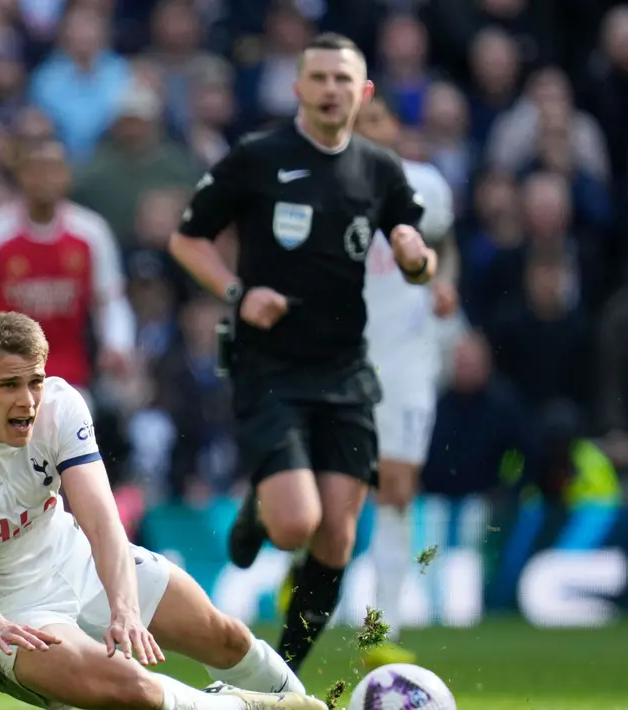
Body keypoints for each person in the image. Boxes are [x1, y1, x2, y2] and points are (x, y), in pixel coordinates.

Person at [167, 33, 436, 672]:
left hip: (346, 370)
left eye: (343, 79)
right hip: (270, 366)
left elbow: (414, 243)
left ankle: (282, 676)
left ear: (363, 91)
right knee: (296, 526)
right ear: (297, 87)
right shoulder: (258, 158)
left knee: (337, 537)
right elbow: (187, 240)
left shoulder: (380, 168)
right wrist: (238, 291)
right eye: (317, 77)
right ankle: (263, 509)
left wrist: (415, 258)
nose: (330, 89)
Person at [0, 310, 326, 710]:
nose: (27, 400)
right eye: (10, 385)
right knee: (131, 688)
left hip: (72, 560)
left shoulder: (61, 407)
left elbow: (102, 523)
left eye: (35, 381)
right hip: (1, 611)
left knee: (225, 636)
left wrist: (125, 608)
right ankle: (237, 706)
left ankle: (307, 702)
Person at [353, 91, 458, 669]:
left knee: (396, 489)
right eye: (356, 124)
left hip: (409, 358)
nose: (368, 131)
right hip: (344, 356)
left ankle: (380, 631)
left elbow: (444, 245)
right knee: (337, 491)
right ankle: (306, 575)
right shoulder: (334, 188)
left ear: (391, 126)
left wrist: (446, 290)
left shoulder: (427, 187)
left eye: (375, 121)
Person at [0, 138, 135, 392]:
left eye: (53, 169)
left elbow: (110, 298)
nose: (45, 178)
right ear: (20, 176)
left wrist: (117, 343)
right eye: (36, 169)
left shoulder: (91, 233)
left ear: (67, 175)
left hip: (68, 379)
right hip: (0, 378)